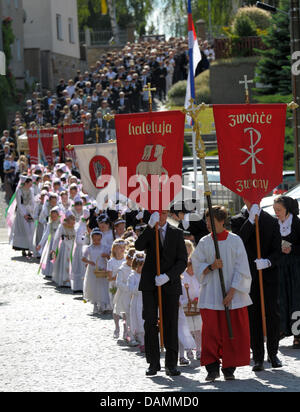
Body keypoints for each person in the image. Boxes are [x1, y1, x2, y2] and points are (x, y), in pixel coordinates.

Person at [192, 206, 252, 382]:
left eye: (211, 220)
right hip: (211, 294)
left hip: (232, 296)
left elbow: (242, 268)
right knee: (211, 332)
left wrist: (232, 291)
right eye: (207, 220)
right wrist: (211, 266)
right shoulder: (204, 242)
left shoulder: (235, 241)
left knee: (230, 332)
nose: (208, 224)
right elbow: (197, 264)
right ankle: (212, 368)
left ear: (221, 220)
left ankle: (228, 367)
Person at [135, 210, 188, 377]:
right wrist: (150, 226)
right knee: (150, 321)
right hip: (150, 284)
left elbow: (182, 261)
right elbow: (139, 246)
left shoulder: (177, 233)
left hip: (169, 284)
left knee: (170, 323)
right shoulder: (150, 229)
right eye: (158, 213)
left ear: (168, 215)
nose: (162, 216)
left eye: (164, 213)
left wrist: (168, 276)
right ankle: (153, 363)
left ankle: (171, 364)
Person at [231, 200, 282, 371]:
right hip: (249, 276)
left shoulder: (271, 220)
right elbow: (239, 241)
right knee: (254, 316)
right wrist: (251, 221)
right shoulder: (238, 220)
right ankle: (258, 356)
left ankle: (273, 353)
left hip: (268, 275)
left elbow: (277, 250)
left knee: (272, 314)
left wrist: (268, 262)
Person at [273, 196, 300, 348]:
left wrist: (293, 249)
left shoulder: (297, 223)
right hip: (280, 266)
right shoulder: (274, 224)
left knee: (296, 300)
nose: (276, 213)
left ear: (287, 209)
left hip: (296, 266)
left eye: (279, 210)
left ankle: (298, 334)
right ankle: (282, 329)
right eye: (275, 210)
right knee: (281, 298)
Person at [82, 228, 111, 314]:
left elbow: (109, 257)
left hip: (102, 268)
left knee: (102, 286)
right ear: (92, 238)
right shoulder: (89, 248)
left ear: (101, 238)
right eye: (94, 239)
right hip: (92, 270)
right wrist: (89, 262)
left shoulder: (105, 247)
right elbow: (83, 258)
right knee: (93, 286)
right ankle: (95, 304)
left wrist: (106, 255)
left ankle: (103, 304)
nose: (96, 241)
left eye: (98, 239)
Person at [127, 252, 146, 353]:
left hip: (146, 300)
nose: (141, 269)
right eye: (139, 266)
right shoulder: (132, 276)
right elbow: (130, 289)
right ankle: (142, 342)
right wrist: (140, 287)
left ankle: (149, 342)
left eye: (142, 266)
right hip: (137, 301)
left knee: (146, 321)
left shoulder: (147, 275)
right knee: (139, 321)